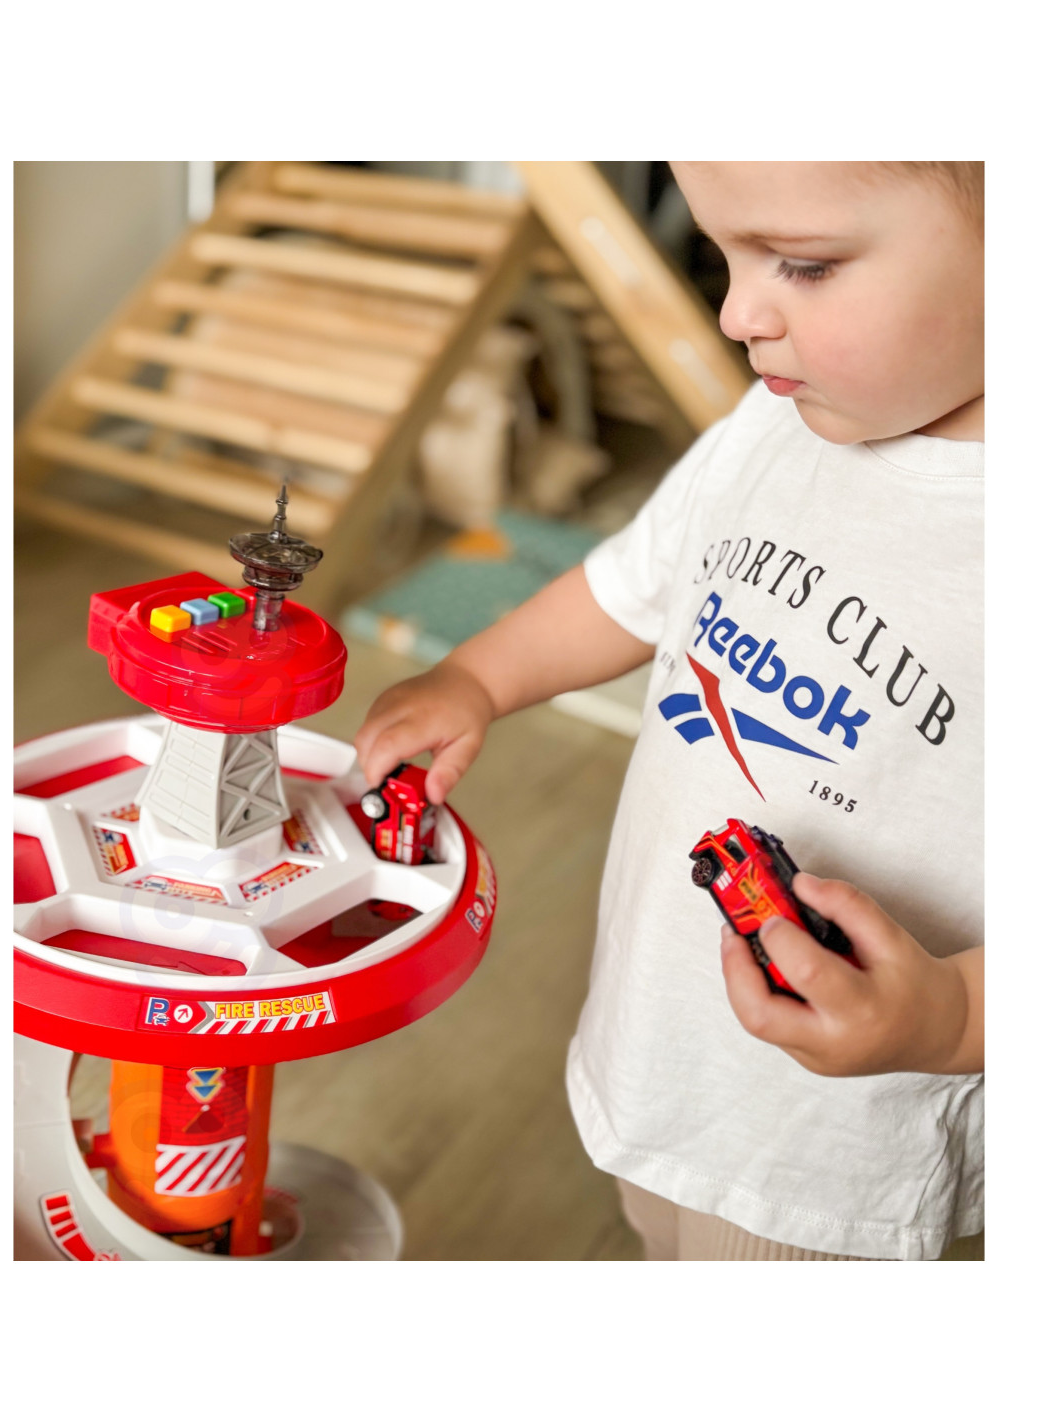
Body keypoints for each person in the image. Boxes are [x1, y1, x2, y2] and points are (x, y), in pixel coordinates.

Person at [354, 162, 984, 1261]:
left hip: (822, 1155)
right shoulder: (776, 420)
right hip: (656, 1049)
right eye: (720, 255)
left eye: (803, 265)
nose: (737, 314)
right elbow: (634, 583)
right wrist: (478, 679)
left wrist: (956, 1019)